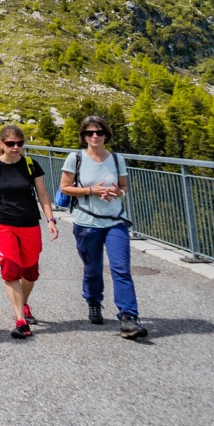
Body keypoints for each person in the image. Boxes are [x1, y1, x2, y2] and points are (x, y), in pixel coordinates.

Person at [60, 115, 147, 340]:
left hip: (115, 220)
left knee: (121, 268)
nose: (95, 136)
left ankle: (128, 317)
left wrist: (119, 192)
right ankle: (93, 301)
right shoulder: (75, 158)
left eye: (99, 132)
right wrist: (91, 191)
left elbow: (125, 186)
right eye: (89, 133)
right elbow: (65, 188)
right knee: (92, 267)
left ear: (106, 135)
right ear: (83, 137)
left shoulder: (117, 159)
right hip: (87, 222)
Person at [0, 125, 58, 339]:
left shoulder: (31, 165)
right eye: (11, 144)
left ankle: (23, 304)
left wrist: (50, 219)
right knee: (11, 269)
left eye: (19, 144)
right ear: (1, 144)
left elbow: (42, 194)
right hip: (2, 223)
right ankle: (20, 320)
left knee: (30, 271)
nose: (15, 147)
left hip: (30, 222)